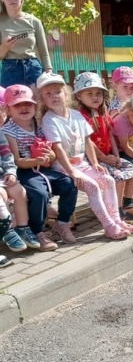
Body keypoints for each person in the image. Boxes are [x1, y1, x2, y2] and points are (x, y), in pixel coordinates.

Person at [38, 72, 130, 240]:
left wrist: (94, 162)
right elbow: (58, 149)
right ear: (42, 99)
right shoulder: (49, 121)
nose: (54, 96)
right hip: (64, 167)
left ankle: (116, 220)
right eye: (48, 94)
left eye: (57, 92)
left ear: (66, 94)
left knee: (108, 180)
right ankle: (108, 226)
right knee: (93, 187)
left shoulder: (76, 115)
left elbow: (87, 141)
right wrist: (72, 172)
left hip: (82, 163)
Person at [3, 84, 78, 249]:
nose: (23, 107)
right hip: (23, 172)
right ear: (8, 110)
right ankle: (37, 231)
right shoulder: (8, 131)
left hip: (42, 169)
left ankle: (62, 223)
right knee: (39, 194)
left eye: (28, 103)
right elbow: (16, 161)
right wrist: (37, 160)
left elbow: (51, 150)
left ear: (35, 106)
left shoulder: (39, 125)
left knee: (69, 184)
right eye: (17, 105)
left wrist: (49, 156)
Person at [73, 72, 133, 228]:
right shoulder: (81, 116)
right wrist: (105, 159)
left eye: (98, 93)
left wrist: (117, 156)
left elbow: (111, 135)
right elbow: (88, 143)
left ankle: (127, 203)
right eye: (89, 93)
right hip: (93, 160)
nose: (95, 97)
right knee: (117, 177)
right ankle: (117, 211)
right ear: (79, 96)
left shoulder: (103, 112)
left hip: (109, 156)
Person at [0, 0, 52, 89]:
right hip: (10, 70)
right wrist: (5, 46)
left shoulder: (34, 21)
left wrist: (49, 71)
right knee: (10, 105)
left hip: (33, 68)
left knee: (38, 104)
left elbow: (44, 52)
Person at [0, 124, 42, 256]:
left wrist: (10, 173)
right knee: (2, 195)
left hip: (3, 176)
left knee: (20, 192)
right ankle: (7, 231)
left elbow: (7, 157)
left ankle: (23, 227)